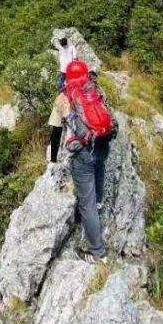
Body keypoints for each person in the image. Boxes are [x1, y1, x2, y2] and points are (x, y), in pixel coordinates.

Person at [47, 56, 113, 261]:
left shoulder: (63, 97)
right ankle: (100, 201)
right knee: (99, 166)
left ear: (68, 78)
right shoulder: (95, 88)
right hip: (102, 144)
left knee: (87, 204)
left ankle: (97, 253)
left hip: (82, 152)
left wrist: (54, 158)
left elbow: (55, 130)